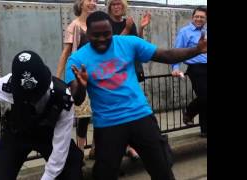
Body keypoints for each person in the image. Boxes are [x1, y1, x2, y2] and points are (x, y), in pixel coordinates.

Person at [65, 11, 207, 180]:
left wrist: (197, 50)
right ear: (87, 33)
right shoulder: (76, 60)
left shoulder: (128, 43)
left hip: (141, 116)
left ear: (112, 30)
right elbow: (78, 98)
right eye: (96, 35)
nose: (102, 39)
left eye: (106, 34)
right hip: (108, 124)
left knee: (162, 169)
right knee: (104, 174)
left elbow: (167, 55)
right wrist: (81, 86)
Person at [0, 50, 84, 180]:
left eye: (37, 95)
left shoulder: (63, 99)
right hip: (19, 132)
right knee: (2, 168)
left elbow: (60, 150)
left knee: (71, 167)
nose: (33, 100)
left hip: (48, 135)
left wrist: (47, 177)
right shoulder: (9, 85)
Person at [106, 0, 151, 160]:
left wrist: (141, 28)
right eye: (113, 4)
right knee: (118, 109)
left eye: (119, 4)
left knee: (132, 107)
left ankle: (130, 145)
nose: (117, 7)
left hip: (130, 70)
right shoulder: (106, 23)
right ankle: (122, 146)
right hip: (113, 73)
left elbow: (136, 44)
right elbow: (110, 46)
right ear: (109, 7)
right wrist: (126, 28)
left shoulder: (129, 23)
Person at [56, 0, 97, 158]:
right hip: (76, 75)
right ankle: (80, 152)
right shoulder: (74, 26)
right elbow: (66, 53)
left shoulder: (96, 24)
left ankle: (95, 149)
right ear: (81, 4)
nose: (93, 3)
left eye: (95, 0)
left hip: (94, 74)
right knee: (84, 115)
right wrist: (58, 78)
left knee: (99, 111)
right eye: (89, 0)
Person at [171, 6, 207, 138]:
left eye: (202, 17)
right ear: (192, 17)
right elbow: (176, 51)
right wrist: (175, 68)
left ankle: (205, 130)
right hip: (196, 68)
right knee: (205, 97)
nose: (199, 19)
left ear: (205, 19)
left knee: (205, 100)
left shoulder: (206, 31)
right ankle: (189, 111)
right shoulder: (185, 32)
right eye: (197, 16)